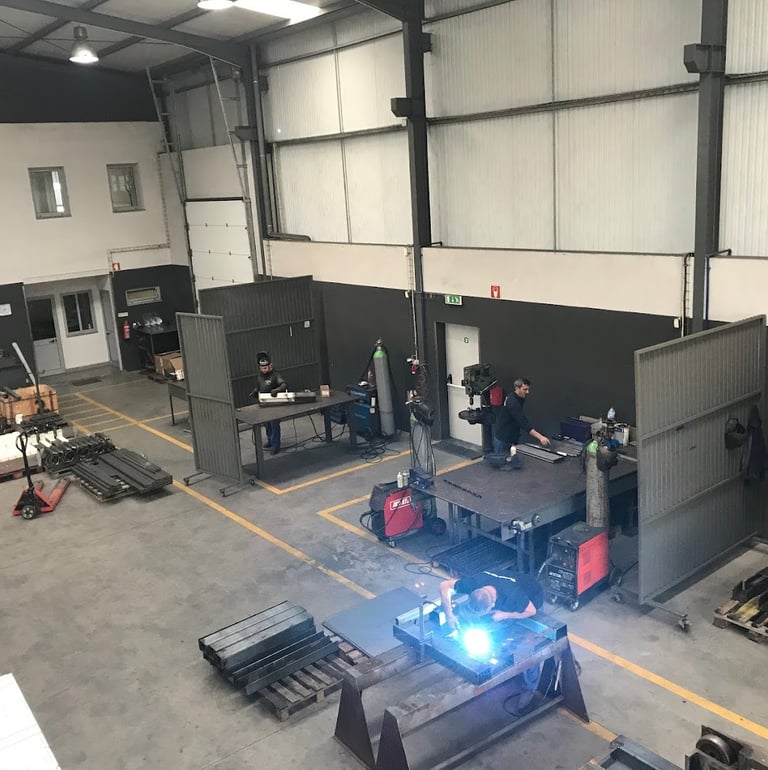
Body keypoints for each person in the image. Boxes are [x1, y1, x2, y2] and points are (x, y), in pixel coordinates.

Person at [438, 569, 544, 631]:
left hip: (533, 594)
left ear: (493, 605)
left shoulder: (512, 595)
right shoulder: (473, 583)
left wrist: (505, 615)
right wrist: (449, 615)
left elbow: (531, 611)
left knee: (513, 625)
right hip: (506, 587)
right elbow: (444, 585)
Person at [493, 377, 550, 466]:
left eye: (528, 389)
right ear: (517, 388)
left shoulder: (517, 397)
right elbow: (524, 423)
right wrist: (541, 437)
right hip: (503, 439)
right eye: (525, 389)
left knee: (511, 464)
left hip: (511, 436)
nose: (527, 392)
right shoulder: (513, 402)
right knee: (500, 465)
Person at [252, 352, 287, 454]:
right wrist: (255, 391)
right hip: (264, 403)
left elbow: (283, 384)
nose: (263, 370)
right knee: (267, 424)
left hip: (274, 404)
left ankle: (276, 445)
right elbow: (258, 386)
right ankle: (270, 440)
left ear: (270, 366)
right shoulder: (260, 376)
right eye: (262, 368)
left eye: (265, 368)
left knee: (274, 424)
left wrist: (277, 390)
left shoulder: (275, 375)